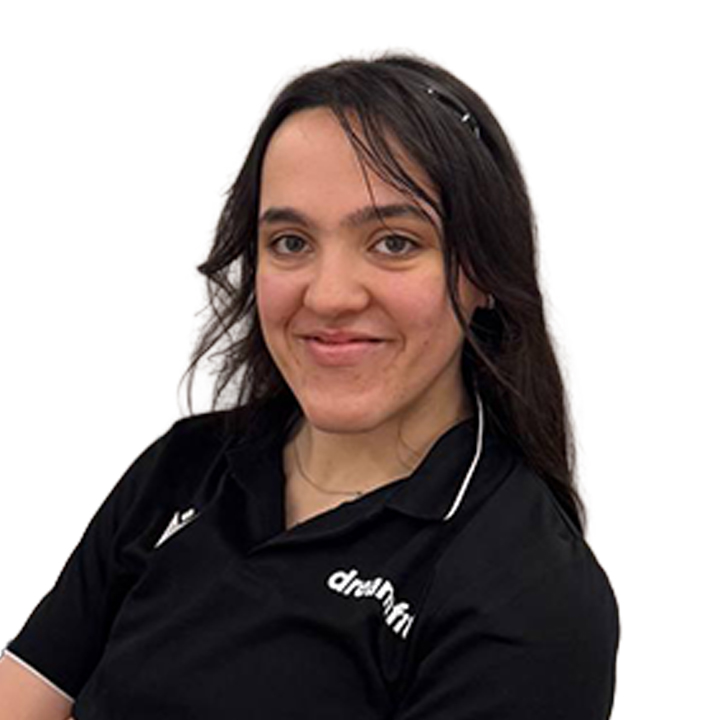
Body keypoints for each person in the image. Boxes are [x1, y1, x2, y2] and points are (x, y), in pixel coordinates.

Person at [0, 54, 620, 719]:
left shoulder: (527, 590)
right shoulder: (185, 467)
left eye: (393, 242)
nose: (327, 296)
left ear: (485, 274)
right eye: (292, 242)